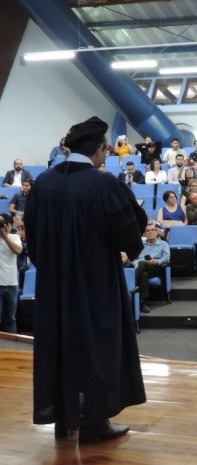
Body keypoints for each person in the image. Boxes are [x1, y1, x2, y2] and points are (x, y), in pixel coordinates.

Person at [24, 116, 147, 443]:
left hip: (53, 288)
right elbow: (131, 234)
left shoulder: (42, 184)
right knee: (97, 349)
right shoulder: (103, 184)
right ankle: (93, 424)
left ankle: (64, 421)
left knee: (60, 347)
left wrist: (53, 268)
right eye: (105, 150)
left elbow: (31, 239)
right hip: (95, 285)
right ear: (99, 150)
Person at [132, 223, 170, 313]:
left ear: (157, 232)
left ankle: (130, 283)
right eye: (148, 231)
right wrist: (135, 264)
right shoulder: (140, 244)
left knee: (143, 264)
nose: (150, 232)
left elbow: (167, 258)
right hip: (141, 267)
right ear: (144, 234)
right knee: (144, 274)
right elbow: (133, 258)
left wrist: (156, 261)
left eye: (153, 230)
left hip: (156, 268)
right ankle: (143, 303)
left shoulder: (163, 244)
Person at [0, 215, 22, 333]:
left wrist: (4, 236)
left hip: (11, 284)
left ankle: (13, 348)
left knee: (10, 319)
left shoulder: (14, 237)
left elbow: (18, 251)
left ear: (8, 225)